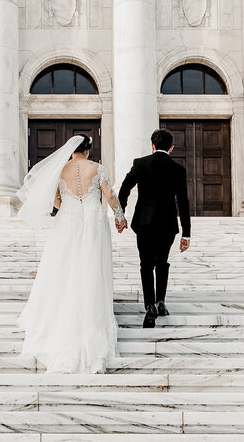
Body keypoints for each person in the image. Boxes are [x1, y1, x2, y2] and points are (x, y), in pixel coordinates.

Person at [16, 134, 127, 373]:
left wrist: (66, 204)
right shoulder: (97, 168)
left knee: (65, 265)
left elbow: (55, 200)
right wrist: (120, 217)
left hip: (69, 219)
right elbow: (109, 195)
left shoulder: (60, 169)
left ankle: (62, 311)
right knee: (91, 266)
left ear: (72, 150)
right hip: (94, 218)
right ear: (87, 150)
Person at [117, 128, 191, 329]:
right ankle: (161, 302)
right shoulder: (178, 169)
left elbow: (124, 189)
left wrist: (120, 213)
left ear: (152, 145)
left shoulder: (140, 163)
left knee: (146, 264)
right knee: (163, 263)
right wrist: (186, 233)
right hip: (167, 224)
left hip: (144, 222)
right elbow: (183, 202)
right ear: (171, 147)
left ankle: (149, 305)